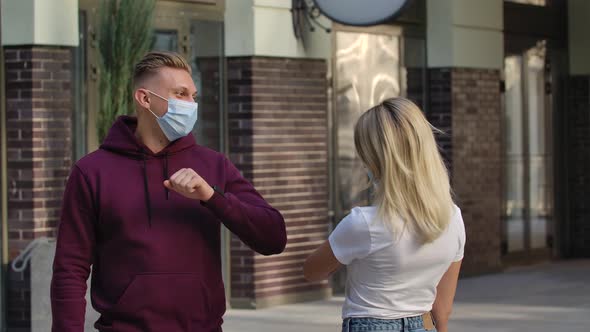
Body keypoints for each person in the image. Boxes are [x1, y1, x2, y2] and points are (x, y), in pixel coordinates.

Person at [51, 51, 287, 332]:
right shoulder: (92, 172)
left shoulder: (212, 165)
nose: (190, 105)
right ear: (145, 98)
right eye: (180, 94)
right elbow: (70, 268)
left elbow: (274, 237)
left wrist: (212, 197)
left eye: (193, 96)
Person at [304, 98, 465, 332]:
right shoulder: (452, 218)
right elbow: (442, 310)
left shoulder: (364, 223)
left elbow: (312, 271)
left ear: (377, 160)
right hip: (424, 324)